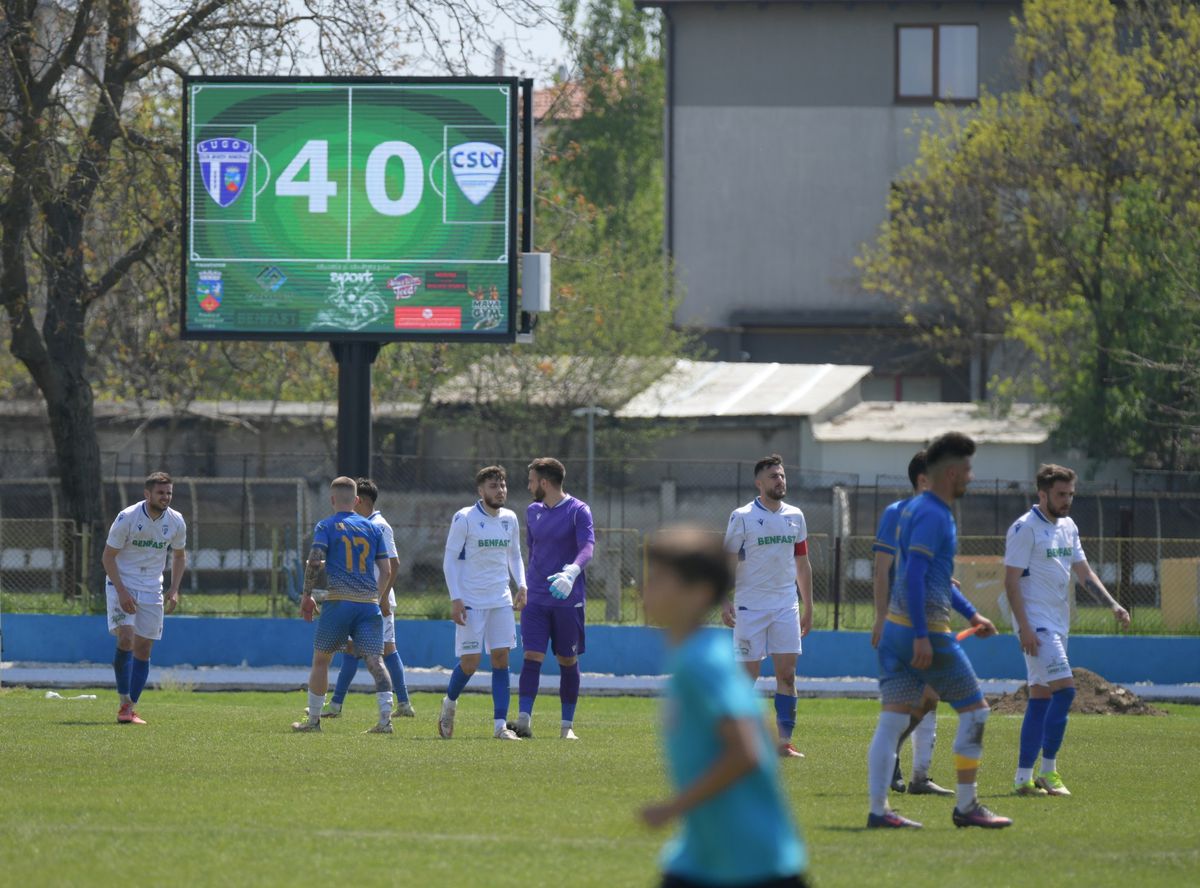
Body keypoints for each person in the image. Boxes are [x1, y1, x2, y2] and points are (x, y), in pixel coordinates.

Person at [640, 526, 808, 888]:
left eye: (660, 579)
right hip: (701, 855)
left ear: (698, 594)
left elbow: (747, 752)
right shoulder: (697, 654)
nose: (645, 588)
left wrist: (673, 807)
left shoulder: (702, 662)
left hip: (753, 861)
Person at [866, 432, 1011, 829]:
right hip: (925, 631)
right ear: (949, 472)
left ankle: (879, 811)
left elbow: (935, 577)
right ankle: (967, 807)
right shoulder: (933, 514)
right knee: (977, 713)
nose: (971, 476)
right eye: (966, 468)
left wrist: (971, 614)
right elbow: (913, 575)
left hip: (897, 630)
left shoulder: (911, 510)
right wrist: (921, 636)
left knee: (893, 721)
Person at [1004, 464, 1131, 797]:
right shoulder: (1024, 529)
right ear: (1042, 494)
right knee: (1066, 691)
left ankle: (1022, 778)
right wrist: (1025, 629)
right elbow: (1010, 582)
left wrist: (1113, 604)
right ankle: (1049, 771)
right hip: (1036, 625)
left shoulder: (1068, 527)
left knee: (1041, 698)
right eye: (1061, 494)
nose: (1067, 500)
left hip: (1058, 624)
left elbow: (1084, 573)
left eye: (1071, 494)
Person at [721, 454, 813, 758]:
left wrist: (808, 605)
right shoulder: (742, 516)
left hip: (786, 606)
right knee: (746, 677)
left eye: (783, 475)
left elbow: (802, 562)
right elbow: (727, 560)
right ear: (759, 483)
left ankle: (782, 743)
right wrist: (724, 600)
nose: (780, 480)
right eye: (773, 476)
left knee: (787, 675)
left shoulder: (796, 516)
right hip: (750, 608)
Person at [872, 451, 951, 796]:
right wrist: (879, 618)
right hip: (901, 621)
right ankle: (892, 763)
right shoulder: (897, 514)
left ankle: (920, 776)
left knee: (930, 696)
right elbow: (880, 569)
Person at [292, 477, 394, 734]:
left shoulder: (326, 525)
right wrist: (378, 597)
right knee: (376, 661)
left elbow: (315, 561)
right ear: (357, 501)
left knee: (321, 660)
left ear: (332, 500)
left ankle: (314, 720)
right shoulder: (373, 529)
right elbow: (387, 568)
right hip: (368, 604)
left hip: (338, 602)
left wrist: (307, 595)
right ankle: (385, 721)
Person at [438, 465, 528, 740]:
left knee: (501, 659)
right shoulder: (464, 518)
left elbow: (514, 555)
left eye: (502, 485)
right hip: (471, 601)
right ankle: (449, 704)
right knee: (470, 663)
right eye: (493, 486)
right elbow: (450, 560)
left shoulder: (510, 518)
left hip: (500, 599)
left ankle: (500, 726)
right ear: (480, 490)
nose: (499, 491)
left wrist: (522, 584)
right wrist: (456, 599)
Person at [512, 457, 595, 740]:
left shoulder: (578, 511)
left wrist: (571, 573)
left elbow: (587, 548)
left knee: (567, 660)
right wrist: (525, 586)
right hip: (535, 598)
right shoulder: (532, 511)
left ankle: (566, 726)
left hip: (567, 600)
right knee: (531, 655)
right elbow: (532, 552)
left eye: (532, 480)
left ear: (544, 483)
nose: (529, 485)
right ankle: (523, 719)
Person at [318, 478, 414, 719]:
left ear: (361, 501)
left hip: (375, 599)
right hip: (360, 599)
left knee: (388, 650)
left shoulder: (380, 525)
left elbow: (394, 564)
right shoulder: (360, 525)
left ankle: (402, 703)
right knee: (352, 650)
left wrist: (381, 599)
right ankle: (337, 705)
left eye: (353, 500)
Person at [101, 472, 187, 725]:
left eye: (169, 492)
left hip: (152, 588)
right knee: (126, 637)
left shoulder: (176, 521)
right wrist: (122, 591)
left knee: (144, 647)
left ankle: (130, 708)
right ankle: (123, 702)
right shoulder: (127, 517)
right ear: (147, 494)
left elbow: (179, 556)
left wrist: (174, 588)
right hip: (122, 582)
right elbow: (108, 557)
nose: (166, 497)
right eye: (161, 493)